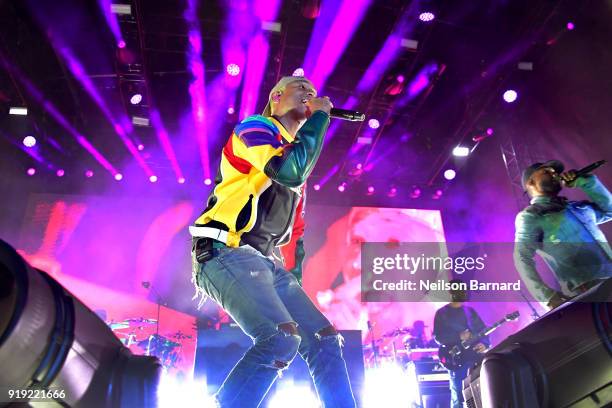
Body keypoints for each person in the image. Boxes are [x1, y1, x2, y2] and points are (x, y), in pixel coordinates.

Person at [189, 76, 356, 408]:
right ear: (277, 97)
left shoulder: (296, 157)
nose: (310, 93)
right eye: (301, 88)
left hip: (265, 262)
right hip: (224, 250)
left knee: (324, 341)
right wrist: (321, 115)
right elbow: (289, 171)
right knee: (280, 338)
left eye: (313, 91)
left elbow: (294, 235)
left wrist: (292, 287)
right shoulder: (255, 128)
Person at [514, 160, 612, 309]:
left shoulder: (578, 207)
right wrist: (546, 296)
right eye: (547, 172)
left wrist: (586, 182)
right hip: (589, 291)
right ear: (531, 183)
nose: (554, 173)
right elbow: (522, 257)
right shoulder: (531, 216)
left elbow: (609, 211)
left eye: (555, 171)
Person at [433, 281, 489, 408]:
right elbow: (438, 337)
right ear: (451, 292)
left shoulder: (470, 312)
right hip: (456, 360)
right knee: (459, 395)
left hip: (474, 358)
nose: (464, 293)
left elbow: (483, 331)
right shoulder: (442, 313)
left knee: (480, 393)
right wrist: (458, 336)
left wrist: (484, 344)